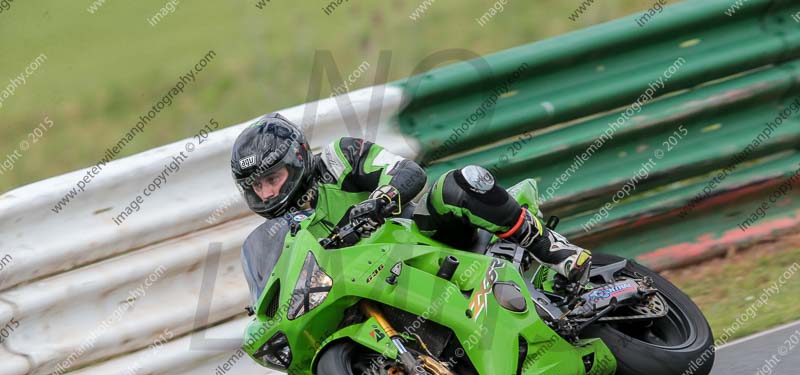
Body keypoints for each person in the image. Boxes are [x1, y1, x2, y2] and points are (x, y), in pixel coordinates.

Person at [231, 113, 591, 285]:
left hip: (425, 242)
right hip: (372, 283)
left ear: (296, 158)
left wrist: (380, 201)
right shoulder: (284, 234)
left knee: (456, 184)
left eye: (272, 178)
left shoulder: (338, 158)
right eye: (257, 187)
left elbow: (408, 172)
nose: (269, 193)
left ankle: (550, 248)